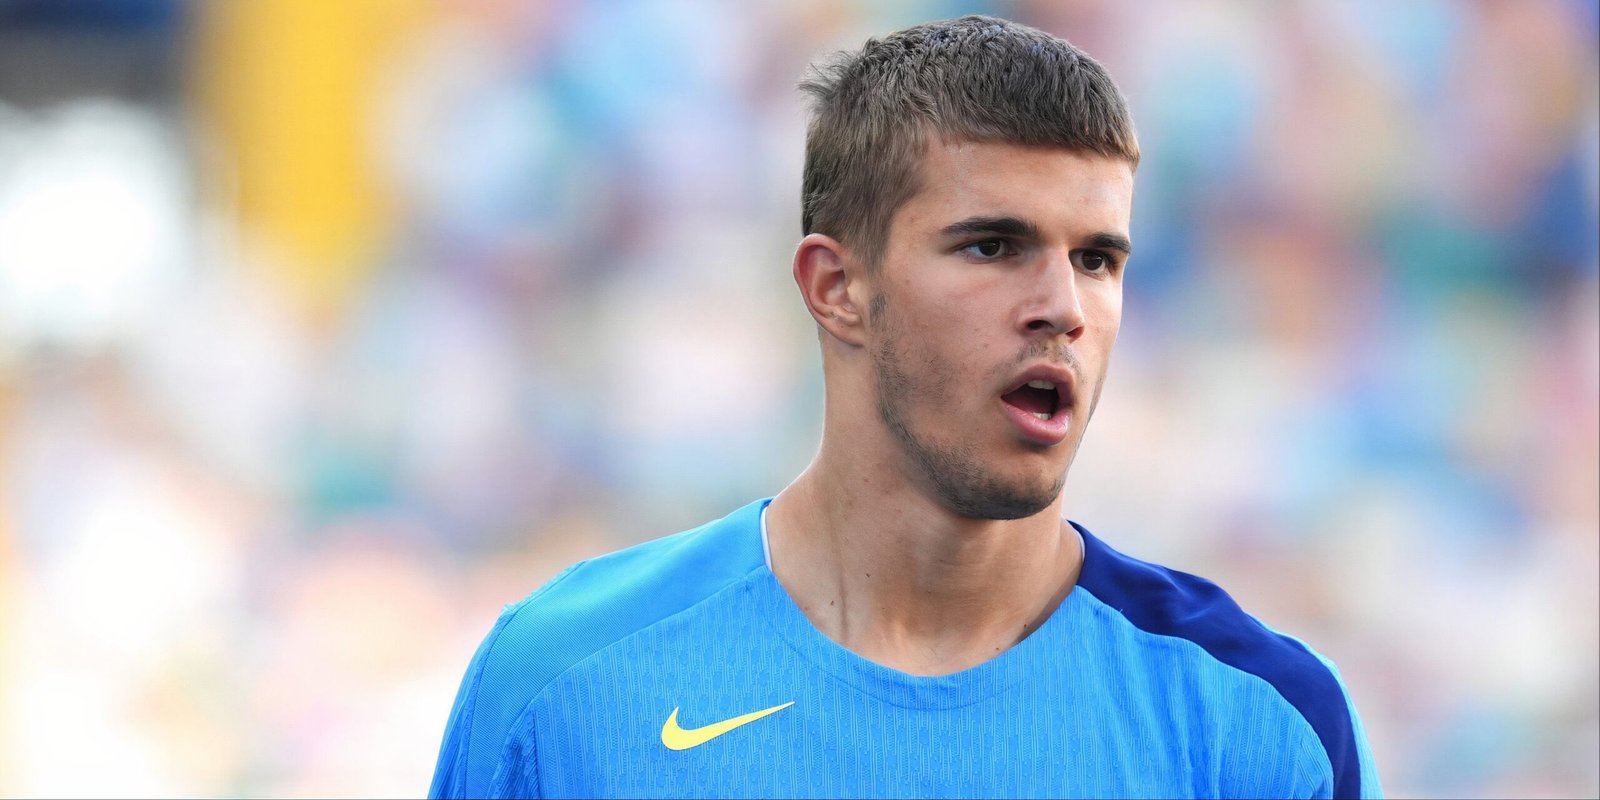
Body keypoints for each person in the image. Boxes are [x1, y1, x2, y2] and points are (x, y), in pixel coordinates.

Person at [429, 14, 1382, 799]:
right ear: (837, 286)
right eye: (992, 247)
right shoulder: (566, 683)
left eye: (1097, 259)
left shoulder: (1261, 723)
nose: (1063, 306)